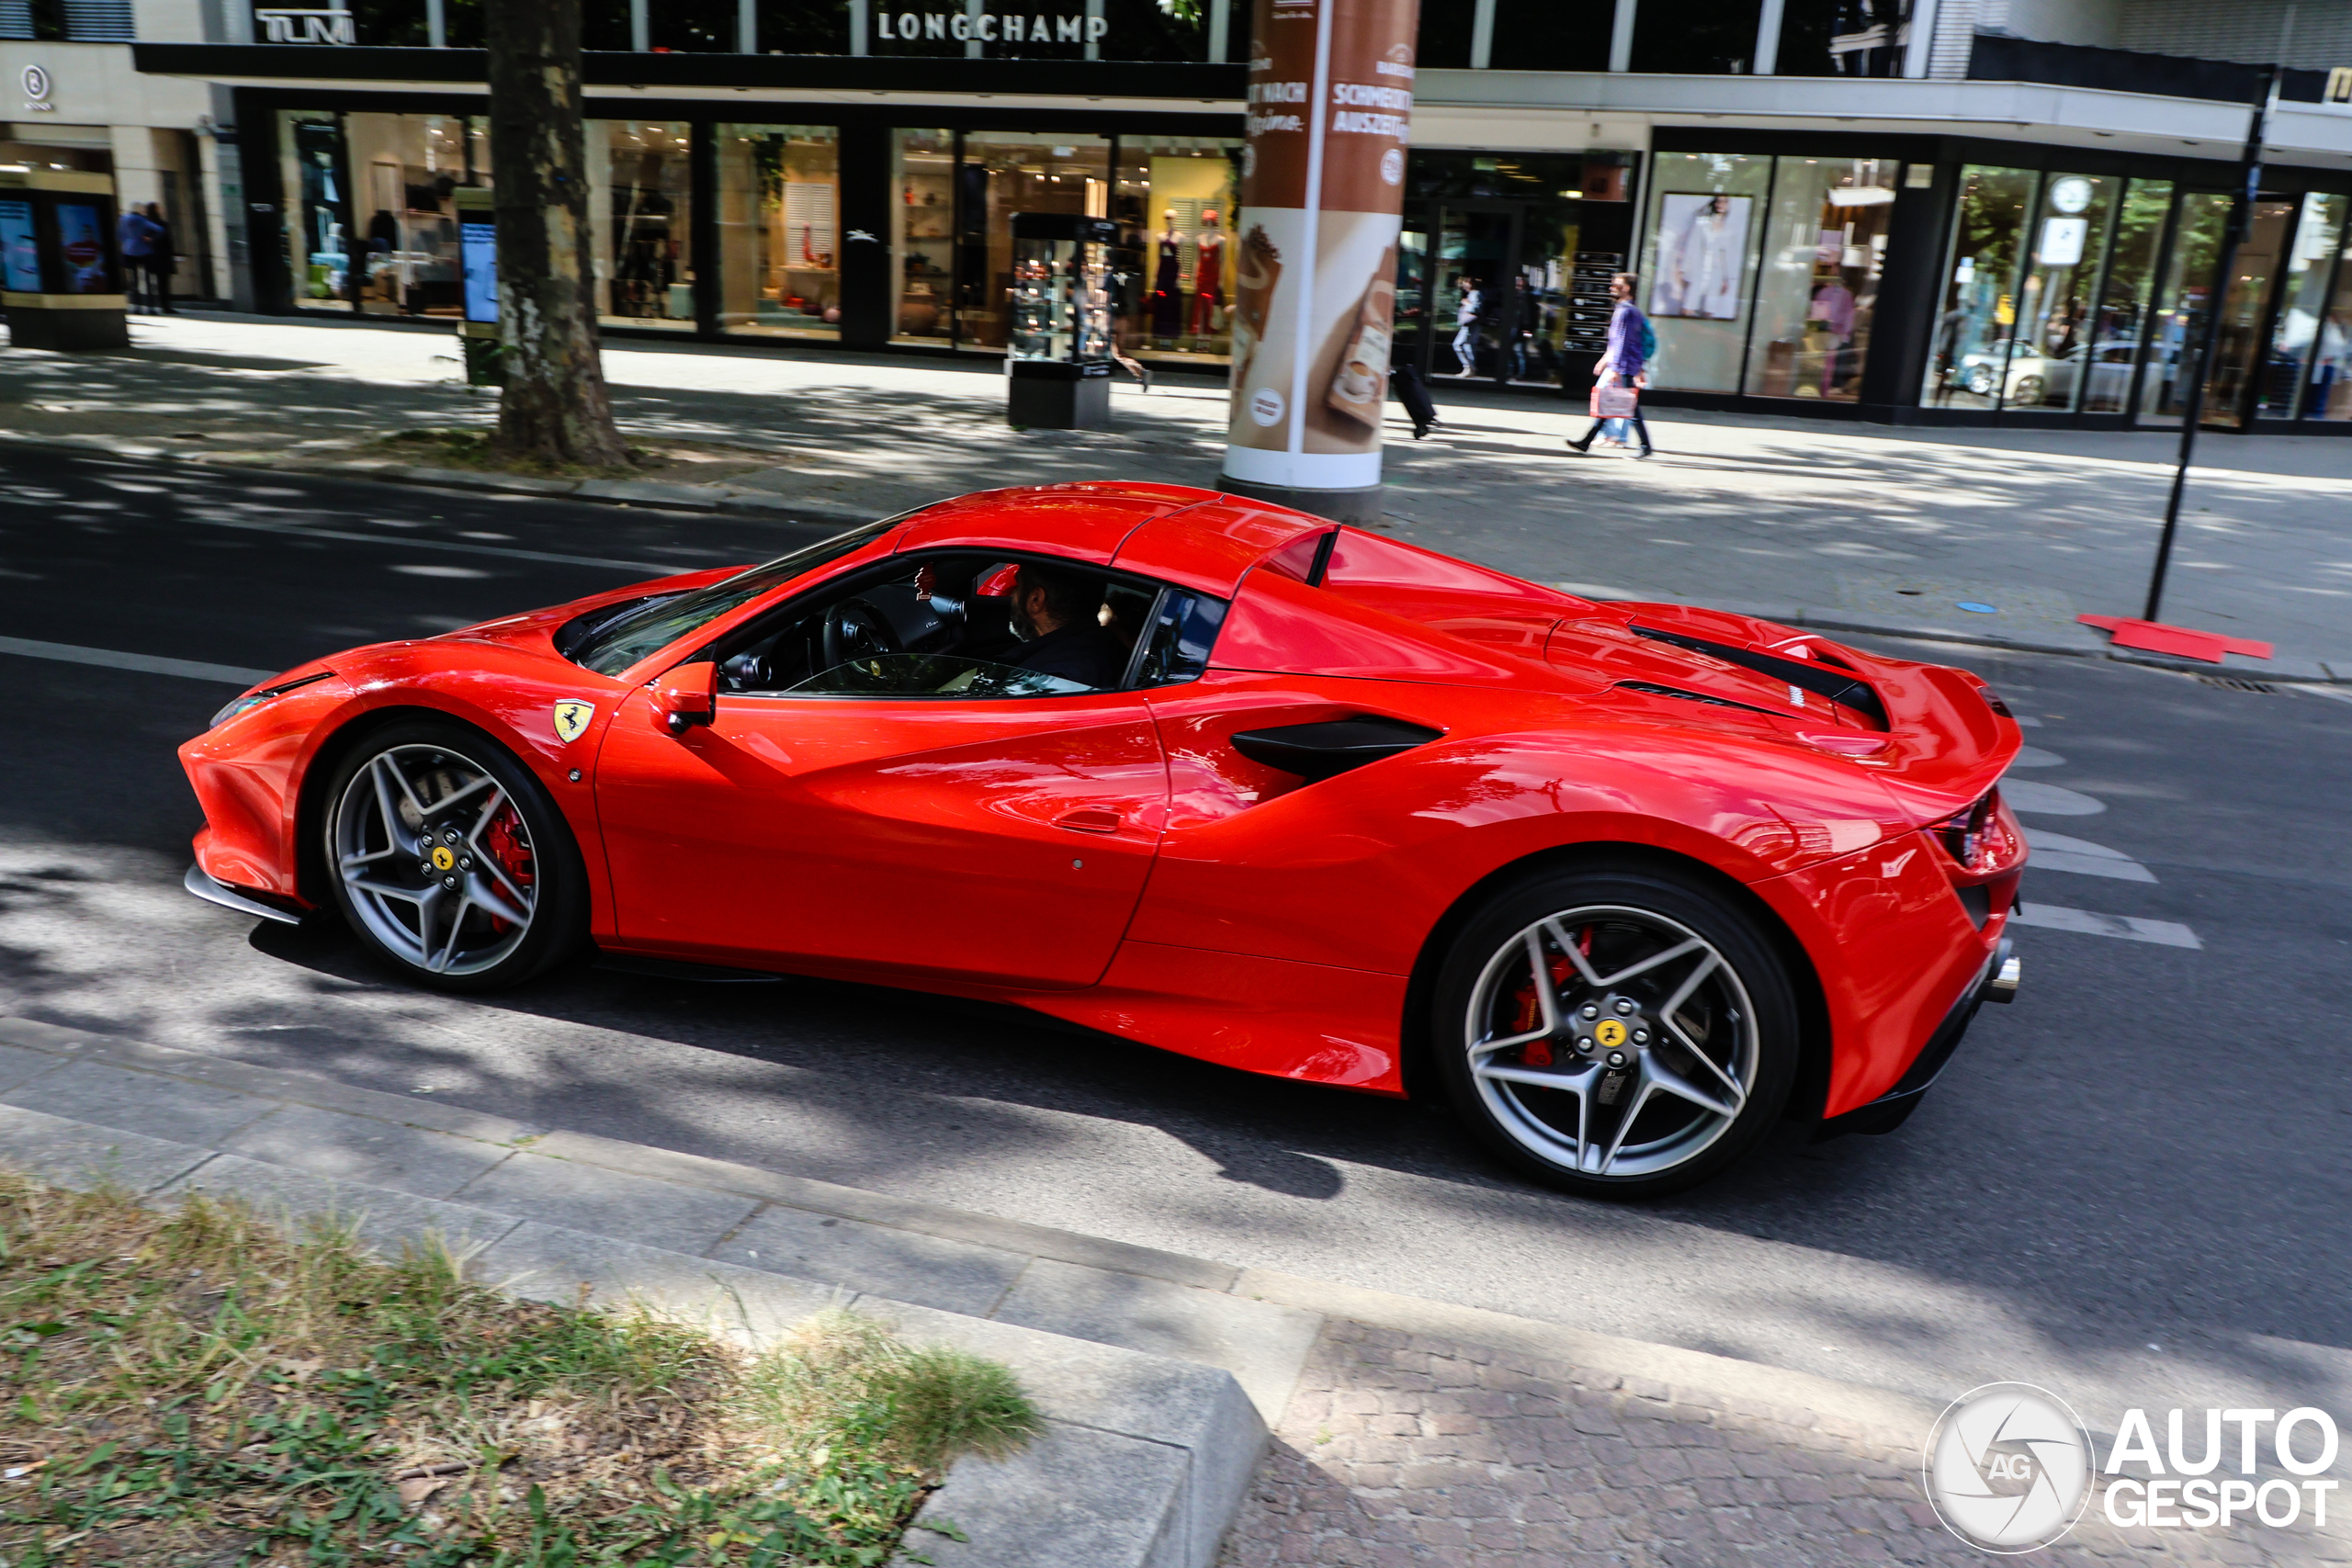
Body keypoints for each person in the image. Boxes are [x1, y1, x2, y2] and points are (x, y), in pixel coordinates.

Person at [1567, 272, 1654, 460]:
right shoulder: (1631, 311)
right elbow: (1632, 344)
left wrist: (1615, 369)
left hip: (1622, 368)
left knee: (1628, 408)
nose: (1611, 287)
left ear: (1626, 288)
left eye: (1616, 284)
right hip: (1625, 366)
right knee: (1614, 404)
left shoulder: (1625, 311)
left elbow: (1623, 342)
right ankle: (1586, 442)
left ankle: (1646, 447)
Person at [117, 205, 159, 312]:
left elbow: (119, 235)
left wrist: (127, 241)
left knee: (133, 281)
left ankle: (136, 306)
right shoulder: (143, 219)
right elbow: (159, 229)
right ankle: (151, 307)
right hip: (144, 251)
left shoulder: (123, 219)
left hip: (128, 251)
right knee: (148, 279)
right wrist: (150, 239)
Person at [143, 204, 177, 315]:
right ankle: (165, 306)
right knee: (163, 283)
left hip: (150, 256)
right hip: (162, 256)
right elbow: (168, 241)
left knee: (150, 282)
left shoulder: (145, 225)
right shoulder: (162, 224)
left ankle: (151, 306)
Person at [1451, 275, 1482, 377]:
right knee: (1468, 346)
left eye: (1465, 282)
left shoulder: (1474, 294)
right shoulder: (1473, 294)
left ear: (1470, 284)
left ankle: (1468, 367)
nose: (1463, 285)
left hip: (1469, 324)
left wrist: (1466, 303)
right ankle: (1471, 369)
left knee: (1457, 344)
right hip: (1471, 325)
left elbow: (1475, 309)